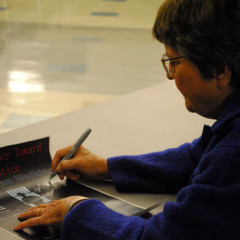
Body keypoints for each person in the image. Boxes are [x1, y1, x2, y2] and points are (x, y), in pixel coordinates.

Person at [13, 0, 240, 239]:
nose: (169, 75)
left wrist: (78, 209)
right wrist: (106, 167)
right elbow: (197, 157)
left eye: (175, 62)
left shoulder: (233, 153)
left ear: (220, 72)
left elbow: (161, 237)